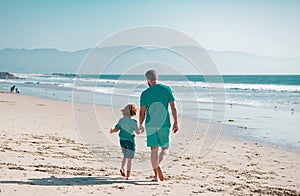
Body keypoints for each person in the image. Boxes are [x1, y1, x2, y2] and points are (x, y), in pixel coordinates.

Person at [139, 70, 179, 182]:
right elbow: (173, 107)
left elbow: (142, 112)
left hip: (150, 125)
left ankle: (156, 177)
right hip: (164, 123)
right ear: (157, 77)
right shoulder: (167, 89)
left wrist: (140, 124)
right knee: (165, 149)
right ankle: (160, 164)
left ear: (148, 79)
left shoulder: (145, 93)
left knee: (154, 150)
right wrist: (176, 121)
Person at [110, 103, 140, 180]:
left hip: (122, 140)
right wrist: (140, 130)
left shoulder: (121, 120)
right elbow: (137, 132)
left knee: (125, 156)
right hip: (130, 141)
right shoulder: (134, 122)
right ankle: (128, 175)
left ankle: (122, 168)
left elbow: (116, 129)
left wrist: (112, 131)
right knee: (130, 158)